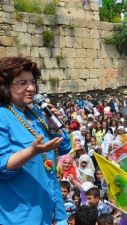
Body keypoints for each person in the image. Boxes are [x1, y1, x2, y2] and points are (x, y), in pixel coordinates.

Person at [0, 57, 71, 224]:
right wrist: (32, 151)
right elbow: (2, 165)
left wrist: (54, 126)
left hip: (50, 207)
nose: (31, 88)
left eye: (32, 82)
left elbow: (64, 147)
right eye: (22, 83)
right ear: (5, 86)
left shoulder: (38, 114)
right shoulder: (2, 116)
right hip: (19, 215)